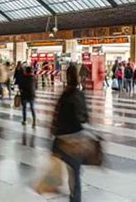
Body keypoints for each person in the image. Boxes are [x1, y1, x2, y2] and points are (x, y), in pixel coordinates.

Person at [51, 64, 89, 202]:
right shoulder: (79, 95)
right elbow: (85, 117)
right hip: (76, 137)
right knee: (75, 172)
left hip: (62, 138)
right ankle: (75, 198)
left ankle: (73, 195)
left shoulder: (63, 95)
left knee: (69, 169)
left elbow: (56, 117)